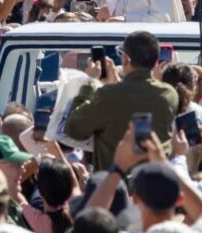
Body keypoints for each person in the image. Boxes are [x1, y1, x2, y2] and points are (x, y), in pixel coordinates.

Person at [64, 31, 180, 170]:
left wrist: (90, 82)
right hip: (153, 184)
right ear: (156, 61)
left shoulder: (108, 95)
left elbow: (74, 128)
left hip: (113, 185)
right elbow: (136, 97)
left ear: (125, 60)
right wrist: (116, 84)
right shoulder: (169, 94)